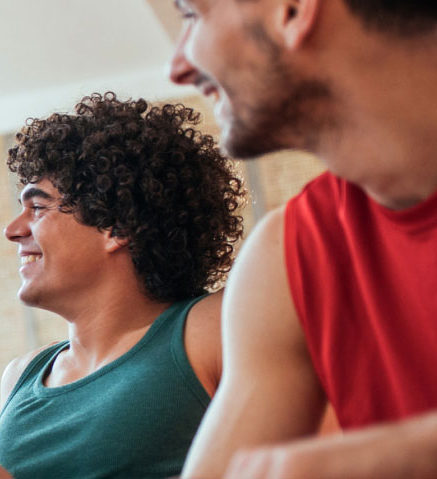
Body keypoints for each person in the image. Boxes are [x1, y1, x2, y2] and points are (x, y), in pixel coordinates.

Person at [0, 93, 244, 478]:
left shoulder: (210, 327)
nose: (12, 230)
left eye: (38, 207)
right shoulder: (21, 375)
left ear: (117, 226)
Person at [167, 0, 437, 476]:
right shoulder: (285, 257)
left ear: (292, 10)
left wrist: (399, 456)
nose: (179, 67)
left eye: (192, 15)